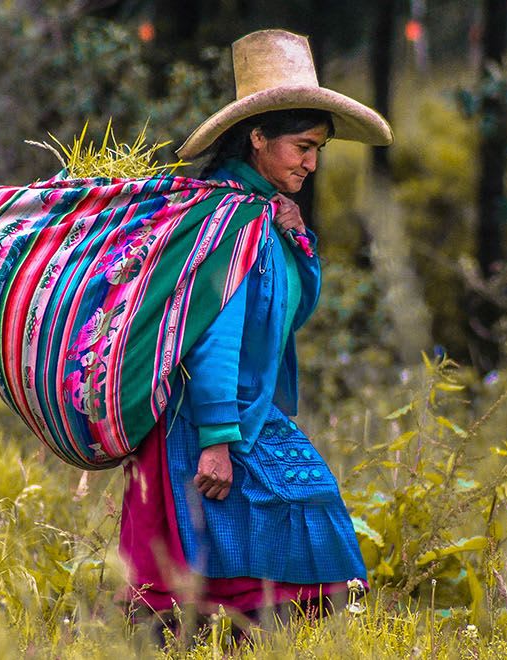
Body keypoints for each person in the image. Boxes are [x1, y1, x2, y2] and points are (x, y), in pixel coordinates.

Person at [117, 29, 392, 638]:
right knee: (277, 532)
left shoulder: (263, 217)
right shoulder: (232, 219)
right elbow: (216, 331)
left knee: (251, 556)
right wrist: (216, 439)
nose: (311, 163)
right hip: (204, 418)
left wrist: (299, 246)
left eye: (318, 148)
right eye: (301, 146)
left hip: (248, 410)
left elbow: (286, 316)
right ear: (258, 138)